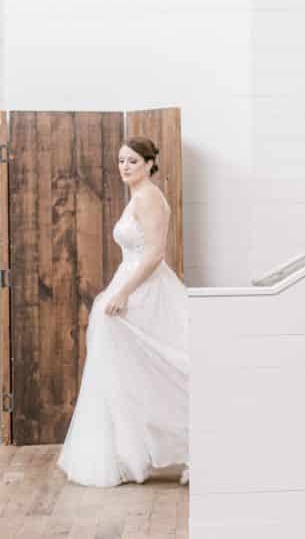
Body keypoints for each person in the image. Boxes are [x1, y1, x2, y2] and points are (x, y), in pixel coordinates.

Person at [58, 137, 190, 487]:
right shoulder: (137, 196)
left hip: (145, 291)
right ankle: (130, 454)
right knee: (125, 370)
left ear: (149, 163)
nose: (125, 167)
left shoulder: (149, 198)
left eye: (132, 161)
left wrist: (123, 294)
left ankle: (195, 442)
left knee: (163, 365)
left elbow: (155, 254)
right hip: (131, 283)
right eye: (120, 161)